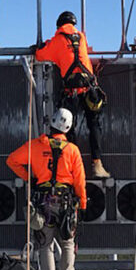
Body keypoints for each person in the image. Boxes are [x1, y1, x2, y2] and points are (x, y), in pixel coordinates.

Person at [6, 108, 86, 270]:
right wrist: (82, 202)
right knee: (67, 243)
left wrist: (30, 178)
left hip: (43, 203)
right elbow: (79, 180)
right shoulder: (72, 150)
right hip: (66, 202)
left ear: (51, 122)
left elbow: (12, 161)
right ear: (68, 127)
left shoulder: (35, 146)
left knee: (45, 245)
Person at [34, 11, 110, 178]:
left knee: (68, 128)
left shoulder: (57, 40)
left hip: (71, 91)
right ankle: (97, 164)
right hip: (90, 89)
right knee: (94, 124)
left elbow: (40, 55)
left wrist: (43, 45)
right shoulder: (81, 37)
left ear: (59, 25)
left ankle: (74, 167)